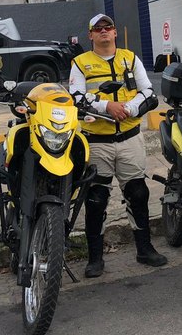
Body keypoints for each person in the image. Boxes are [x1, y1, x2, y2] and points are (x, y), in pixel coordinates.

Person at [69, 14, 167, 278]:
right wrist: (106, 106)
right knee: (96, 198)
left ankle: (144, 249)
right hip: (96, 142)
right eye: (97, 29)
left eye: (108, 27)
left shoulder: (130, 58)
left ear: (115, 33)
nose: (103, 31)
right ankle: (95, 258)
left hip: (129, 138)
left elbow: (148, 93)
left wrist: (129, 107)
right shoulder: (80, 64)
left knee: (138, 193)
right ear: (90, 35)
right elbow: (76, 97)